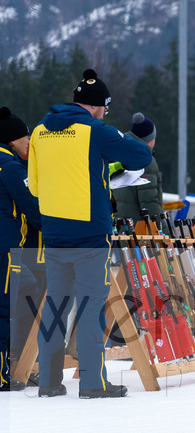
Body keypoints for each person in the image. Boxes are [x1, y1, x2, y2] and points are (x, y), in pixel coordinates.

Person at [29, 68, 152, 398]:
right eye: (106, 107)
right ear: (97, 106)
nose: (106, 112)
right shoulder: (96, 130)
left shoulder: (40, 132)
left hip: (54, 231)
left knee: (55, 305)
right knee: (89, 307)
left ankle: (48, 381)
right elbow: (142, 154)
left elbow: (37, 187)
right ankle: (93, 383)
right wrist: (116, 140)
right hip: (90, 233)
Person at [1, 106, 44, 391]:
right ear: (11, 139)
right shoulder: (11, 168)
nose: (29, 142)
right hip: (6, 247)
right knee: (3, 309)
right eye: (24, 137)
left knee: (27, 288)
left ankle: (17, 358)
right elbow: (33, 209)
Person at [111, 112, 162, 224]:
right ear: (150, 139)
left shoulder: (118, 155)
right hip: (140, 231)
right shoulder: (146, 161)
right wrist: (163, 233)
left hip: (118, 228)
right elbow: (150, 202)